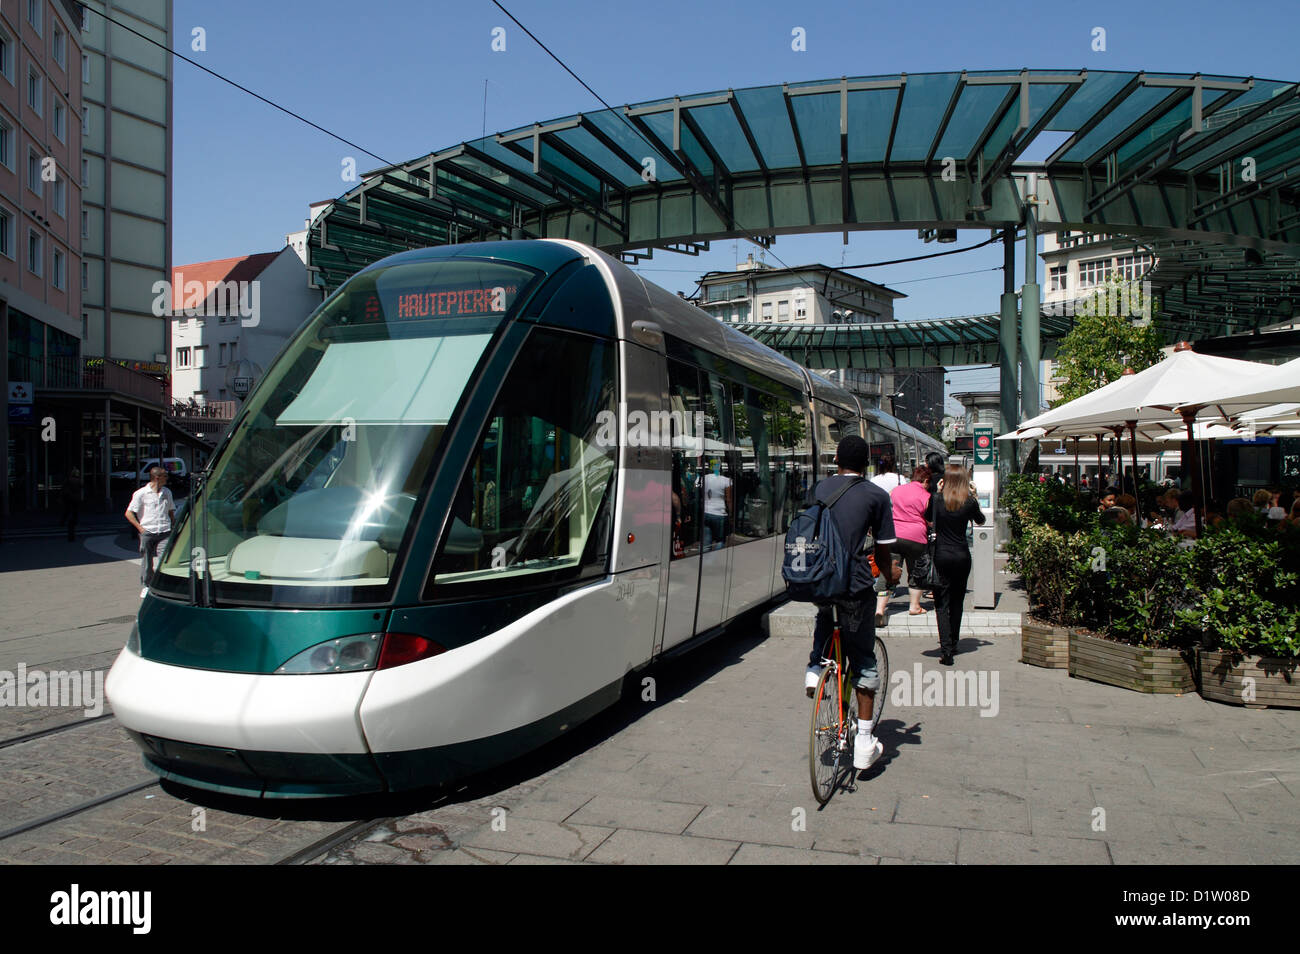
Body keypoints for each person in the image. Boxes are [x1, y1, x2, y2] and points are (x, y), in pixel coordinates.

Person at [803, 435, 899, 771]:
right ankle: (863, 744)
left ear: (837, 461)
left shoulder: (819, 489)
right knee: (864, 660)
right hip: (856, 584)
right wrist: (892, 573)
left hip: (819, 579)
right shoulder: (875, 495)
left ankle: (816, 667)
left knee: (826, 616)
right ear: (866, 464)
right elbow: (885, 551)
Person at [929, 464, 986, 666]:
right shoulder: (969, 502)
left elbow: (928, 518)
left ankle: (946, 649)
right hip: (962, 555)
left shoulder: (937, 499)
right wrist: (974, 496)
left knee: (941, 604)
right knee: (957, 601)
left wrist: (937, 492)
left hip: (941, 556)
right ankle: (953, 642)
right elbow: (981, 520)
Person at [878, 463, 933, 625]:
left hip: (894, 536)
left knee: (889, 571)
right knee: (916, 570)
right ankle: (914, 606)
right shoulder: (926, 496)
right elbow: (930, 521)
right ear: (926, 480)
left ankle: (880, 610)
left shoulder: (896, 490)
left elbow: (885, 507)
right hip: (916, 538)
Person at [126, 466, 176, 597]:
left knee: (163, 560)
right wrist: (140, 528)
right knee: (147, 562)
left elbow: (171, 510)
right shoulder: (141, 493)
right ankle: (147, 585)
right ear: (157, 477)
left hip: (164, 530)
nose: (167, 478)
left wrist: (173, 524)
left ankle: (162, 584)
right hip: (148, 531)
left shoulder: (167, 492)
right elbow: (129, 513)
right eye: (165, 475)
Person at [60, 468, 83, 542]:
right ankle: (74, 521)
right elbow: (81, 488)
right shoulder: (79, 481)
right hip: (76, 498)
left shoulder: (68, 480)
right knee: (75, 511)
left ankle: (63, 522)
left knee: (67, 510)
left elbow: (64, 489)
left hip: (69, 498)